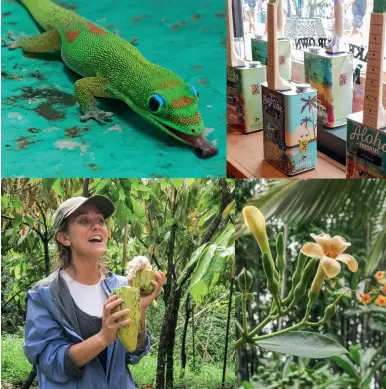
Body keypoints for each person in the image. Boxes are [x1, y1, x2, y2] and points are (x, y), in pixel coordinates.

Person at [23, 195, 166, 389]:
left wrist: (140, 309)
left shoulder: (121, 287)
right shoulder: (45, 295)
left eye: (100, 221)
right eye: (83, 221)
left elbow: (134, 352)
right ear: (64, 238)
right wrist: (103, 338)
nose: (97, 226)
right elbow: (50, 362)